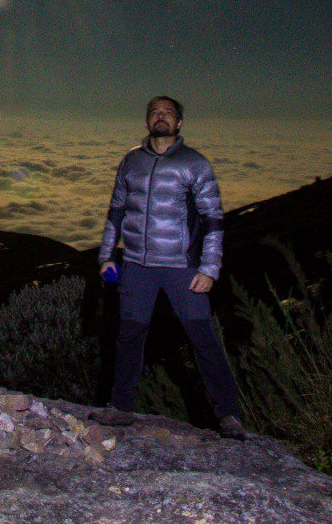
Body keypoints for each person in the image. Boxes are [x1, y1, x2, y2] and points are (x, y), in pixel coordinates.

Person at [93, 95, 246, 440]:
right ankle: (121, 407)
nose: (160, 117)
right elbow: (116, 211)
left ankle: (230, 415)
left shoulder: (195, 163)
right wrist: (107, 257)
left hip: (182, 267)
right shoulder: (131, 160)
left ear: (178, 123)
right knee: (129, 336)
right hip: (136, 265)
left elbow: (213, 220)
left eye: (168, 113)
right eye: (154, 113)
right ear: (147, 121)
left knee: (202, 339)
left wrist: (209, 269)